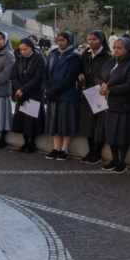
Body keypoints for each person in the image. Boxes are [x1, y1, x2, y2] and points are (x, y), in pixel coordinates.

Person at [100, 37, 130, 173]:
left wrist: (111, 89)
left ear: (128, 49)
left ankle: (122, 162)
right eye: (115, 47)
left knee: (122, 135)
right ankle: (114, 160)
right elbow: (100, 76)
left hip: (125, 106)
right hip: (111, 104)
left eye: (120, 48)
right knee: (112, 134)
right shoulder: (110, 62)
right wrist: (102, 84)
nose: (116, 50)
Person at [43, 32, 81, 160]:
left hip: (67, 95)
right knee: (54, 122)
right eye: (58, 40)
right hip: (53, 94)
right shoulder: (53, 54)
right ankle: (56, 148)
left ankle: (64, 149)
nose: (60, 42)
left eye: (63, 40)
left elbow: (70, 79)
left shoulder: (74, 57)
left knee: (66, 122)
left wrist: (54, 91)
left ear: (69, 41)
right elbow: (46, 74)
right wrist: (49, 89)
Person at [77, 31, 111, 164]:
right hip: (86, 91)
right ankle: (90, 151)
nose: (91, 42)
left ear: (101, 40)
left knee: (98, 124)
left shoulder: (106, 56)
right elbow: (80, 68)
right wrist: (80, 74)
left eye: (94, 39)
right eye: (89, 39)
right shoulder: (86, 54)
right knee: (88, 124)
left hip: (99, 92)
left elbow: (107, 74)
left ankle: (97, 153)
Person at [11, 38, 46, 154]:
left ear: (31, 47)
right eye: (21, 50)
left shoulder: (39, 59)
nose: (23, 52)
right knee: (22, 119)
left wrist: (24, 89)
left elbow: (38, 78)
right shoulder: (19, 59)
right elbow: (14, 75)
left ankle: (32, 143)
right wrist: (19, 88)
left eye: (25, 49)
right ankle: (25, 141)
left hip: (33, 93)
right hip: (21, 93)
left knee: (32, 120)